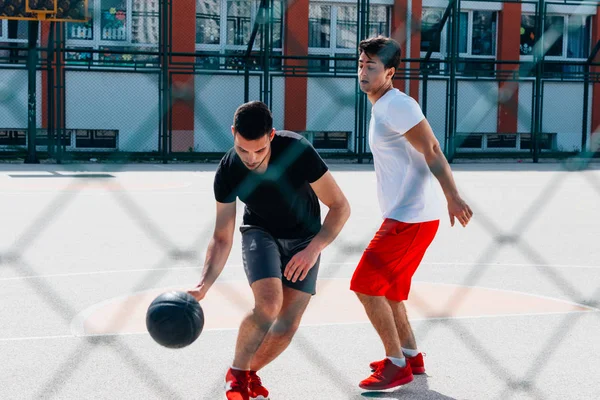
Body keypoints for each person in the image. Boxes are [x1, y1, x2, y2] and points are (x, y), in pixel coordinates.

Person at [188, 101, 351, 400]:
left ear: (272, 136)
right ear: (233, 133)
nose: (251, 158)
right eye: (243, 149)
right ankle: (237, 375)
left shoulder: (296, 150)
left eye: (259, 150)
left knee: (287, 324)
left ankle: (247, 373)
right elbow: (222, 237)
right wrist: (203, 285)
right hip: (260, 232)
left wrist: (314, 249)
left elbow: (340, 207)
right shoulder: (228, 171)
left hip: (305, 239)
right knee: (268, 303)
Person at [350, 36, 473, 391]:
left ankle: (395, 364)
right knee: (390, 292)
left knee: (364, 285)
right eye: (360, 64)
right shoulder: (382, 105)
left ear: (389, 72)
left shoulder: (396, 105)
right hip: (410, 215)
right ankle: (411, 356)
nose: (362, 72)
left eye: (371, 67)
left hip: (410, 217)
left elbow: (432, 147)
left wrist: (453, 195)